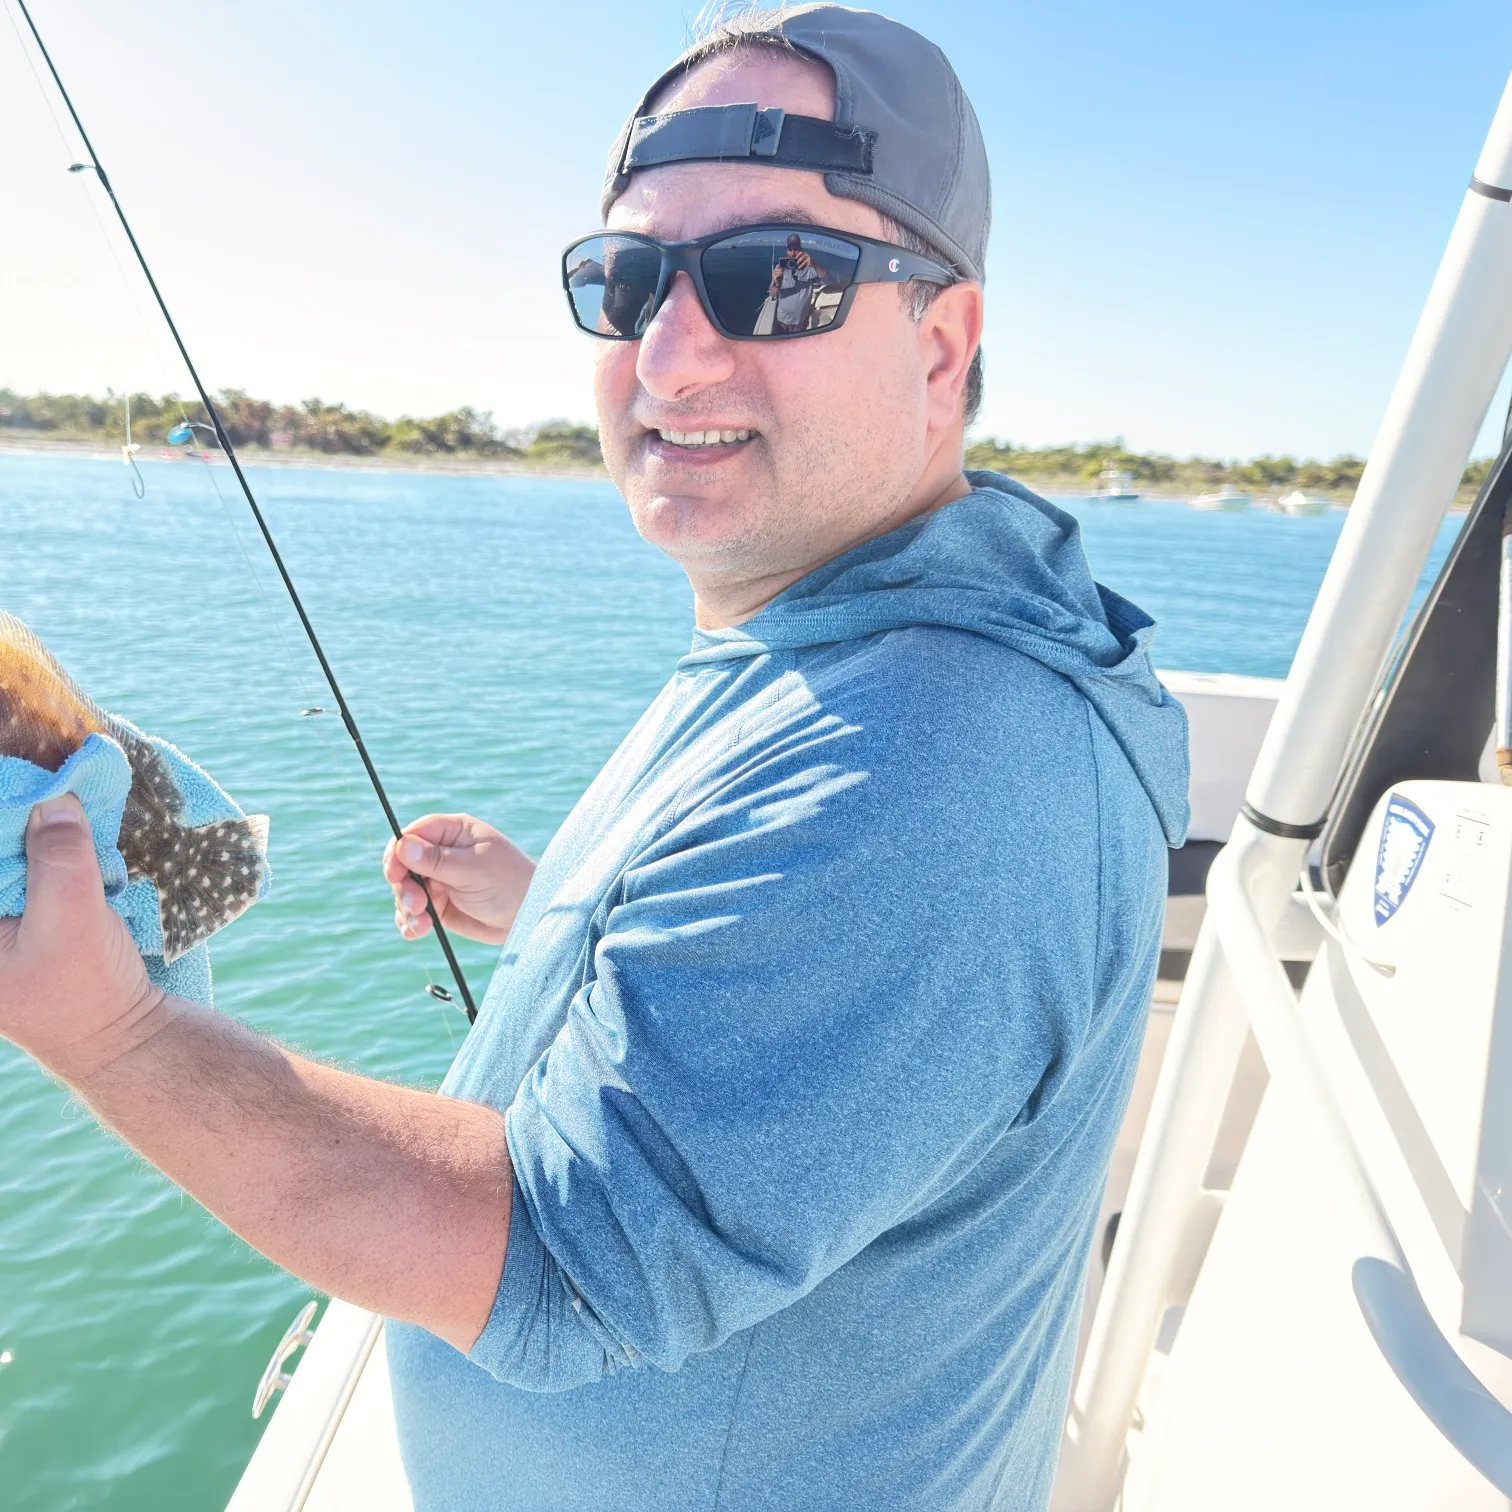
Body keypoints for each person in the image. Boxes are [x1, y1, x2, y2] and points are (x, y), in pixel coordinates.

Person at [0, 6, 1188, 1510]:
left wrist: (114, 1035)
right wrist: (556, 900)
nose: (670, 358)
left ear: (942, 343)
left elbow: (564, 1266)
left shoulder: (930, 765)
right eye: (627, 281)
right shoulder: (846, 623)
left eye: (780, 279)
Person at [769, 232, 829, 332]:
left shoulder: (810, 268)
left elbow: (827, 280)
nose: (793, 253)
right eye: (790, 250)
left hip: (801, 322)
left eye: (796, 249)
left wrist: (814, 264)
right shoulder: (780, 269)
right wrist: (777, 283)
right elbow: (772, 294)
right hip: (782, 322)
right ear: (786, 251)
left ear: (801, 250)